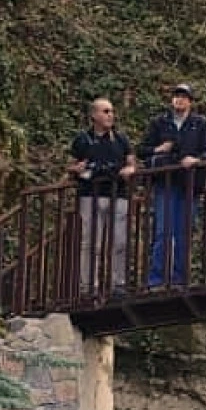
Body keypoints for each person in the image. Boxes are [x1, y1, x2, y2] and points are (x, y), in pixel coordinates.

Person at [138, 84, 206, 288]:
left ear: (190, 101)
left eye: (184, 96)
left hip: (190, 183)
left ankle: (180, 278)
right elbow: (142, 150)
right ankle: (157, 278)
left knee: (184, 232)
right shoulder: (159, 122)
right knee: (163, 231)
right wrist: (159, 149)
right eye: (176, 96)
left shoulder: (200, 124)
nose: (179, 100)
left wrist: (196, 159)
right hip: (165, 182)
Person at [67, 98, 136, 297]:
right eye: (105, 111)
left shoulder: (120, 139)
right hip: (90, 194)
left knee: (120, 241)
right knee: (90, 242)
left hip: (118, 194)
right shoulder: (82, 139)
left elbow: (131, 162)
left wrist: (130, 170)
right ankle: (89, 286)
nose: (110, 115)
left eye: (111, 111)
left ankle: (118, 283)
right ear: (94, 115)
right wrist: (77, 169)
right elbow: (70, 165)